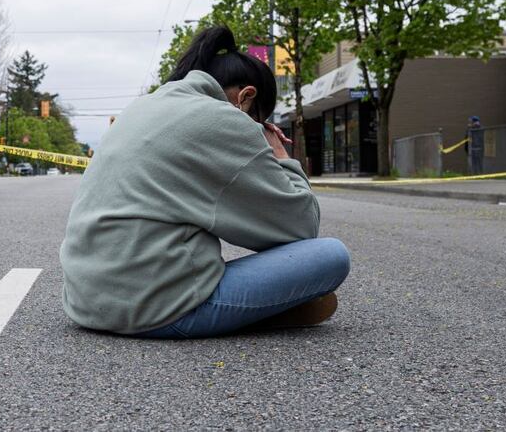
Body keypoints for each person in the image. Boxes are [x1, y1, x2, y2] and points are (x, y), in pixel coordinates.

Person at [59, 26, 350, 338]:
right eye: (261, 122)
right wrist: (278, 151)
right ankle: (237, 315)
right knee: (331, 255)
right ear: (246, 97)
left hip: (84, 303)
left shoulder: (142, 106)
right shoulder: (225, 119)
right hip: (159, 309)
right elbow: (301, 226)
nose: (260, 132)